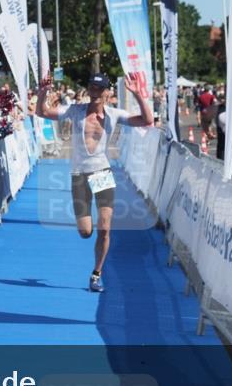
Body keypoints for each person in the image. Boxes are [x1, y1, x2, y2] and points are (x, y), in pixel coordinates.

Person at [36, 72, 154, 293]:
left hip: (102, 173)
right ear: (89, 89)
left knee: (105, 228)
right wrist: (43, 92)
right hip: (79, 174)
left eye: (100, 88)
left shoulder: (114, 114)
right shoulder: (76, 110)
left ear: (107, 91)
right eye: (93, 87)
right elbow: (42, 112)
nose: (96, 92)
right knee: (85, 232)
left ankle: (96, 274)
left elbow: (147, 121)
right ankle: (86, 229)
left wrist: (138, 94)